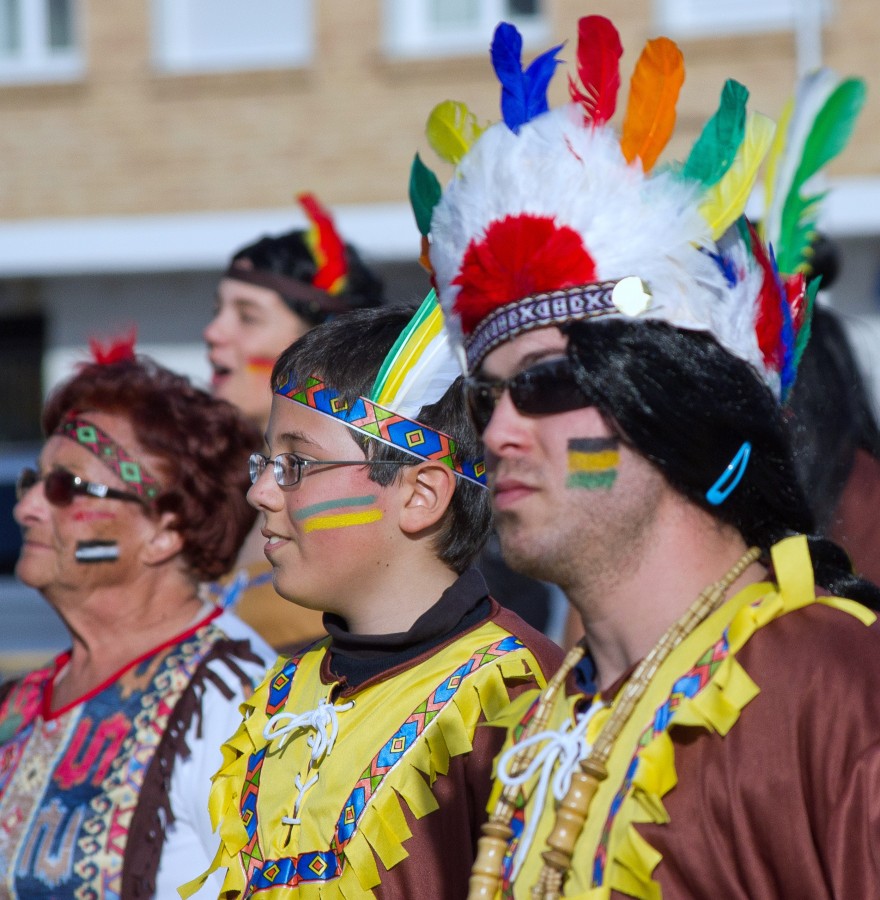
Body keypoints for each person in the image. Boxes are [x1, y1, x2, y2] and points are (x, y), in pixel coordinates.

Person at [413, 14, 880, 898]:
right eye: (485, 397)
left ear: (669, 399)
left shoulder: (834, 684)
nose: (500, 432)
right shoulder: (542, 728)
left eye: (545, 383)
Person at [182, 298, 564, 898]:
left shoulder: (512, 694)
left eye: (295, 463)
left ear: (420, 494)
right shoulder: (285, 692)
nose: (260, 492)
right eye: (266, 462)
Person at [0, 346, 274, 898]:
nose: (26, 508)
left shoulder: (234, 699)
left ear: (165, 532)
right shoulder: (22, 702)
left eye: (67, 487)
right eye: (33, 481)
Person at [203, 193, 385, 652]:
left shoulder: (363, 485)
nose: (214, 332)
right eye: (217, 310)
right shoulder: (229, 485)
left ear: (318, 340)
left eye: (247, 316)